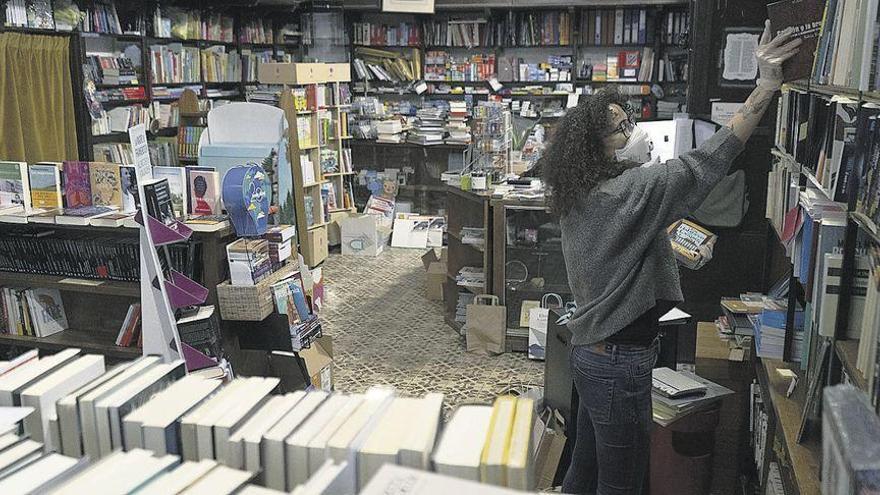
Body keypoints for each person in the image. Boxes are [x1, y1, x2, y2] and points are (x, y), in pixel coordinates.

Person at [539, 21, 801, 495]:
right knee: (624, 482)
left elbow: (620, 241)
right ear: (595, 144)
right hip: (619, 360)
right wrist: (765, 86)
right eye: (621, 129)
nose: (633, 133)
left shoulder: (582, 188)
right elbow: (713, 157)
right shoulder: (632, 188)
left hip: (592, 353)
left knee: (587, 469)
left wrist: (666, 237)